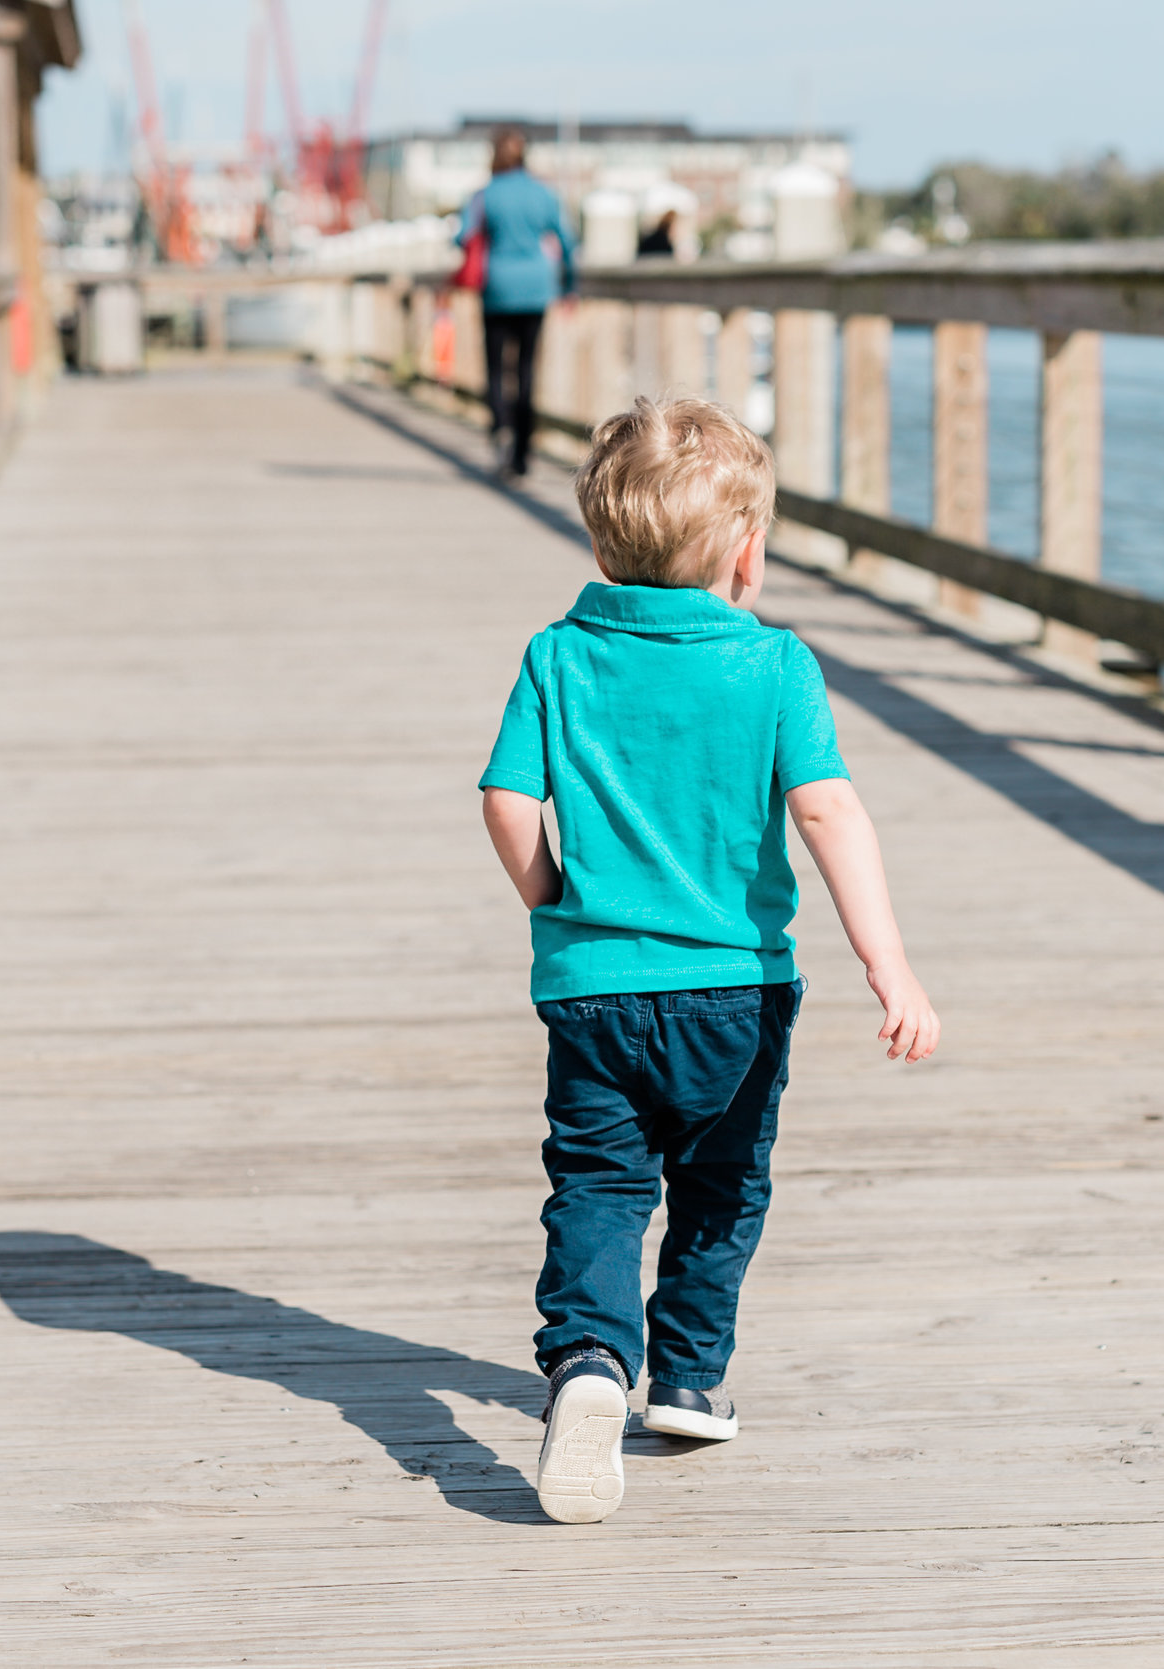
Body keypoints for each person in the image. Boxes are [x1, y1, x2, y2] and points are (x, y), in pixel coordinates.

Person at [478, 398, 940, 1524]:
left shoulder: (558, 656)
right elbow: (829, 815)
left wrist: (551, 892)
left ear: (600, 545)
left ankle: (589, 1361)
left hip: (591, 991)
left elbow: (504, 798)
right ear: (748, 552)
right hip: (739, 991)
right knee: (721, 1184)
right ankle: (685, 1375)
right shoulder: (774, 664)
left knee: (598, 1184)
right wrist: (890, 963)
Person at [458, 128, 575, 479]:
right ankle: (522, 453)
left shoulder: (484, 194)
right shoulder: (543, 194)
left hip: (497, 288)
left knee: (495, 368)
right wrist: (570, 285)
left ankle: (500, 429)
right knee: (526, 370)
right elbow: (568, 241)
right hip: (537, 288)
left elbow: (463, 235)